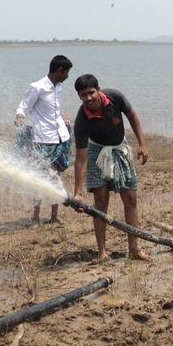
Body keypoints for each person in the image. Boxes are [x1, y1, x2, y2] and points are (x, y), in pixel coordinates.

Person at [71, 74, 150, 262]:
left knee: (130, 199)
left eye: (91, 92)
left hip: (119, 148)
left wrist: (142, 143)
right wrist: (78, 192)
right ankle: (102, 252)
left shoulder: (115, 97)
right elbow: (81, 159)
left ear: (99, 89)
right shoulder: (81, 120)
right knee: (100, 204)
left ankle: (134, 249)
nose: (89, 98)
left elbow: (133, 116)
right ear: (79, 97)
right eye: (84, 95)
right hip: (97, 152)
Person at [14, 55, 73, 224]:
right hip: (43, 139)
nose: (67, 76)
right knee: (40, 179)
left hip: (59, 137)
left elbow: (53, 109)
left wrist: (62, 116)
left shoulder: (58, 86)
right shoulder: (37, 87)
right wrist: (19, 116)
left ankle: (54, 216)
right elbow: (24, 106)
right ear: (59, 71)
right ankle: (35, 216)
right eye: (66, 72)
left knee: (56, 176)